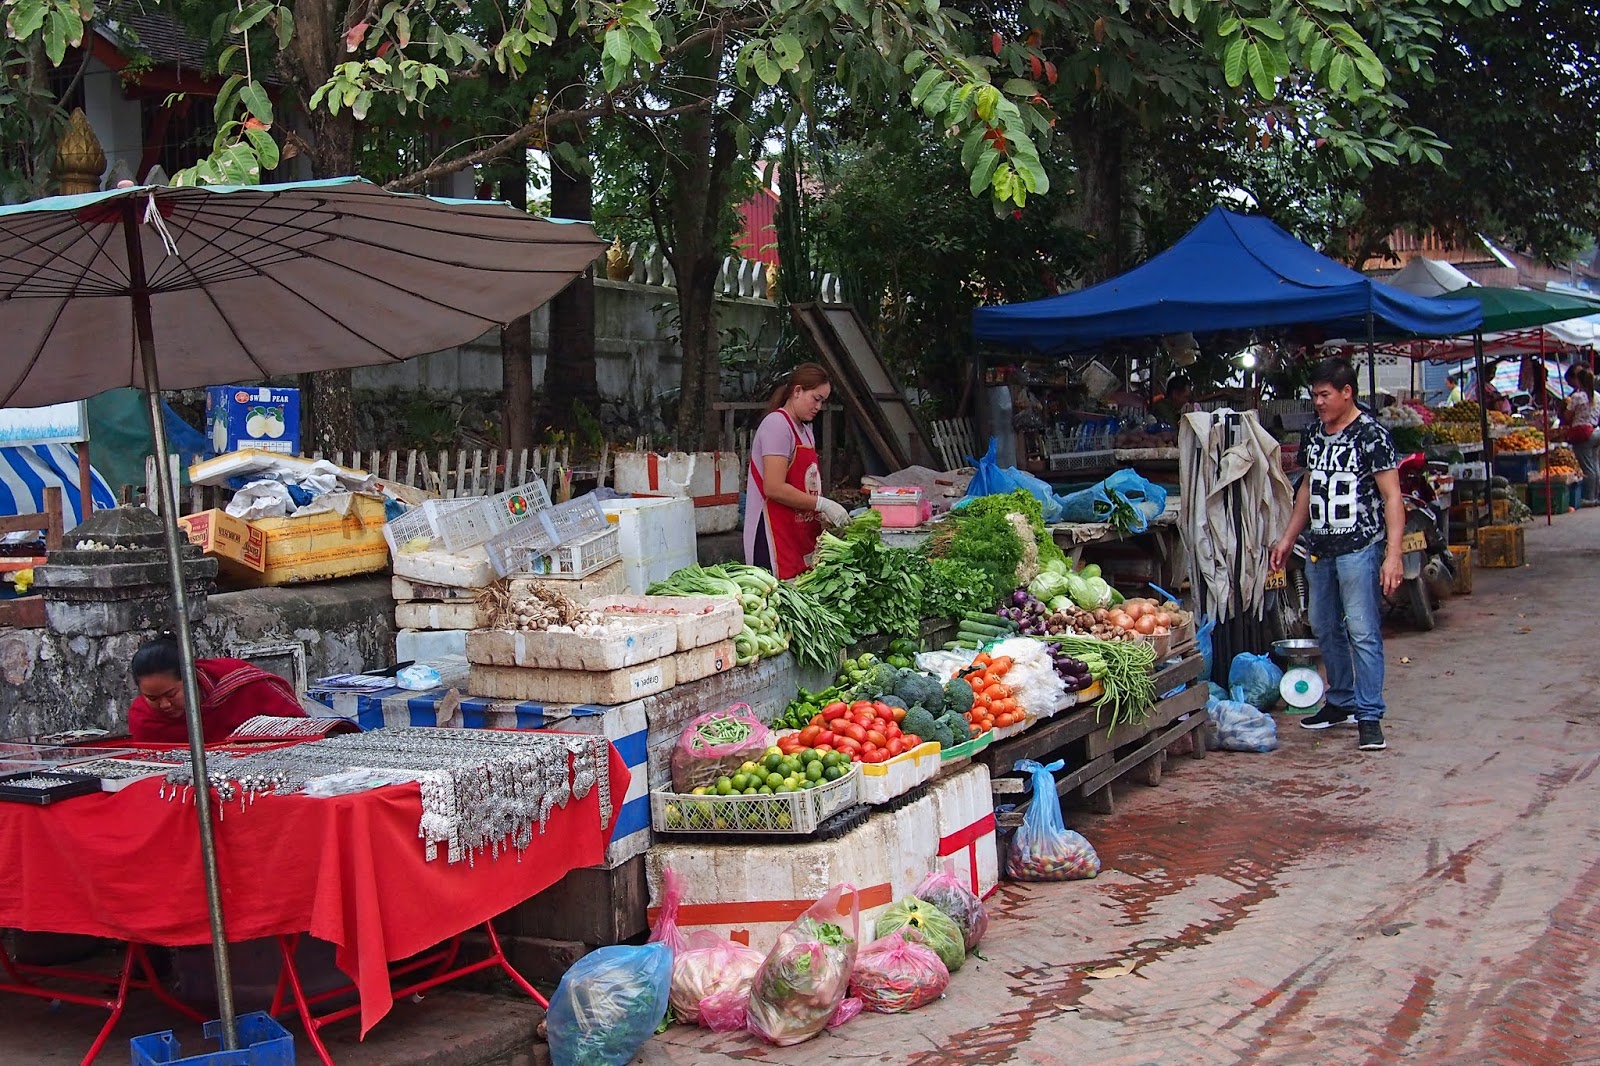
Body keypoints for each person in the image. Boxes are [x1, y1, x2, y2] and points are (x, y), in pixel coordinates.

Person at [1270, 358, 1404, 752]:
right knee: (1323, 624)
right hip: (1319, 548)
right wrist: (1287, 537)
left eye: (1325, 395)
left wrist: (1392, 553)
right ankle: (1341, 700)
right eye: (1314, 395)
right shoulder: (1314, 433)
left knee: (1362, 630)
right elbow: (1307, 490)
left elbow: (1392, 497)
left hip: (1359, 547)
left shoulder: (1371, 434)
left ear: (1347, 392)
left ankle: (1370, 714)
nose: (1318, 402)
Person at [744, 363, 850, 578]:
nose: (818, 407)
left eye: (823, 401)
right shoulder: (777, 425)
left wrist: (821, 514)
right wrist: (822, 503)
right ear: (797, 391)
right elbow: (774, 487)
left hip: (798, 533)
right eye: (816, 398)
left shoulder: (806, 432)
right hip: (772, 532)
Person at [128, 635, 307, 743]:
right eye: (152, 698)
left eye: (171, 694)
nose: (165, 704)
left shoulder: (240, 683)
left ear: (191, 677)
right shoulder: (143, 717)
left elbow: (300, 729)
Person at [1563, 364, 1599, 506]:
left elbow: (1567, 416)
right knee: (1595, 466)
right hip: (1595, 432)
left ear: (1579, 381)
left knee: (1587, 468)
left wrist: (1565, 406)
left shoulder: (1577, 397)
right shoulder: (1597, 396)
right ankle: (1596, 495)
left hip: (1583, 435)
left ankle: (1589, 498)